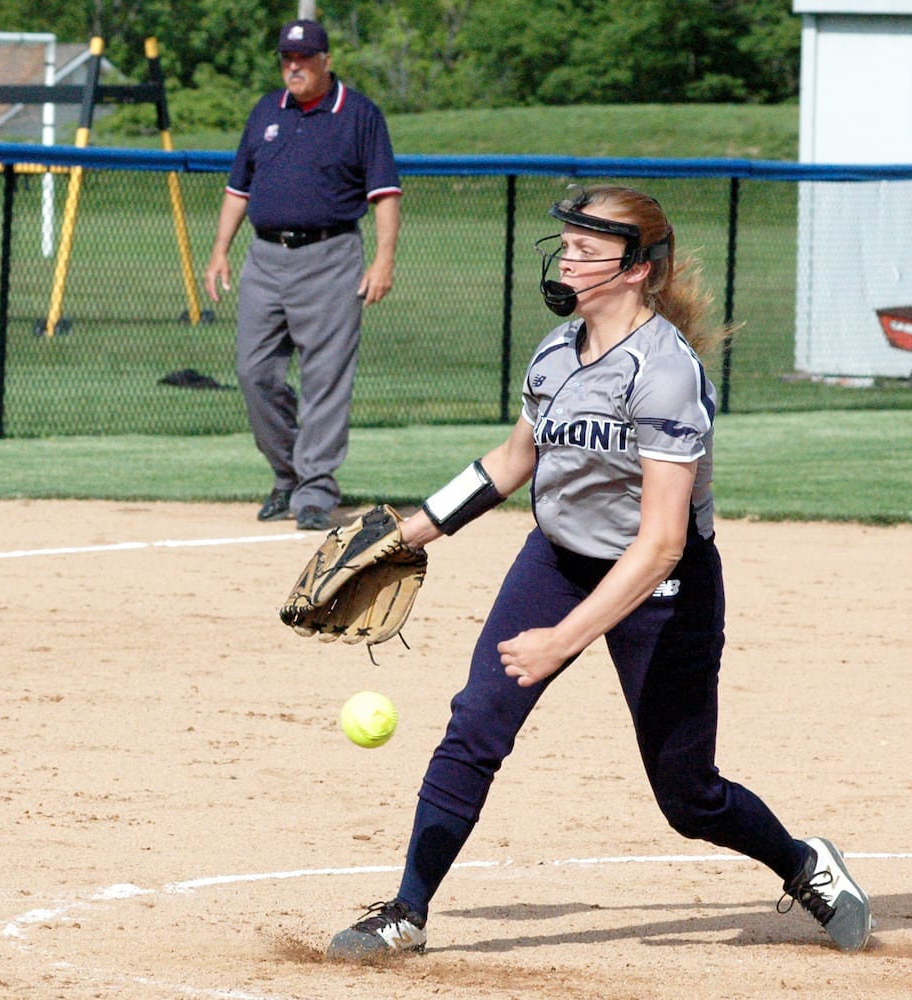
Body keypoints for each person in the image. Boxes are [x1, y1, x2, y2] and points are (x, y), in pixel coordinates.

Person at [324, 186, 872, 959]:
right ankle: (405, 911)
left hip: (661, 591)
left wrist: (561, 640)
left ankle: (802, 862)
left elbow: (658, 546)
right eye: (566, 245)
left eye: (586, 249)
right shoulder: (556, 350)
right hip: (553, 561)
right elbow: (511, 461)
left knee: (688, 797)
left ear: (637, 269)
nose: (567, 259)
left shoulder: (664, 374)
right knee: (475, 723)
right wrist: (407, 532)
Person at [203, 18, 402, 533]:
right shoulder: (267, 111)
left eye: (304, 57)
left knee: (324, 380)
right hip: (265, 257)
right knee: (254, 373)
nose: (294, 66)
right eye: (287, 58)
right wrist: (220, 250)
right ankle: (288, 473)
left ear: (325, 61)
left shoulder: (358, 115)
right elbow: (238, 190)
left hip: (330, 256)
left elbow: (385, 194)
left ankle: (315, 491)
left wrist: (384, 260)